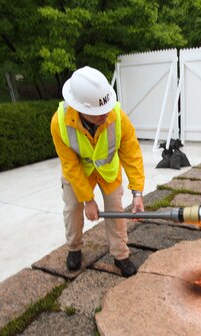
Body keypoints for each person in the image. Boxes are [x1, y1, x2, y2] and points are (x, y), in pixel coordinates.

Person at [50, 66, 145, 277]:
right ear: (79, 108)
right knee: (73, 208)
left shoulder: (117, 116)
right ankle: (74, 248)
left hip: (107, 171)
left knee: (116, 210)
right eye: (97, 113)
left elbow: (132, 154)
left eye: (106, 109)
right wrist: (88, 199)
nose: (104, 115)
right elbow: (70, 165)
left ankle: (121, 255)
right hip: (78, 173)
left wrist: (137, 192)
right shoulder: (60, 123)